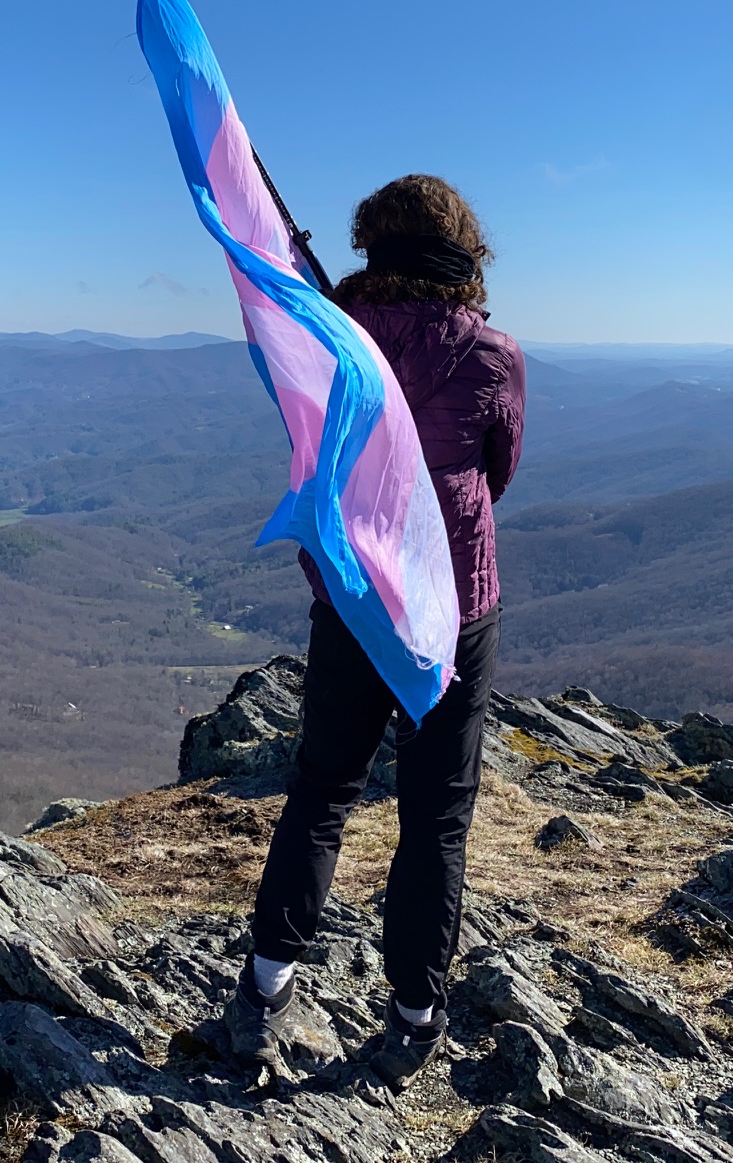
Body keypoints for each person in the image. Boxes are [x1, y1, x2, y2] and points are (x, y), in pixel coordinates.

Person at [225, 173, 527, 1087]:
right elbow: (498, 469)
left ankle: (263, 992)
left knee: (322, 791)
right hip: (453, 605)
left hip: (355, 596)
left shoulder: (332, 334)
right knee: (436, 817)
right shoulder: (493, 354)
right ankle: (414, 1021)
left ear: (370, 244)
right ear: (465, 250)